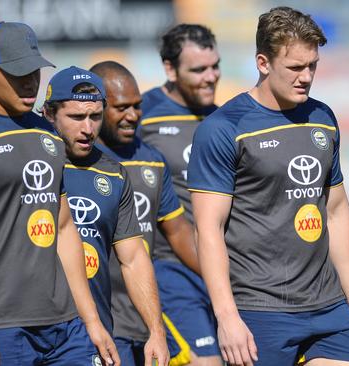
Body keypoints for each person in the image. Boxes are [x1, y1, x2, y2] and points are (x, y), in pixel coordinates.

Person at [188, 7, 349, 366]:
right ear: (263, 63)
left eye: (313, 66)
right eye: (295, 67)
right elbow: (208, 229)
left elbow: (335, 211)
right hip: (259, 310)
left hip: (329, 307)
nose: (306, 77)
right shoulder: (224, 128)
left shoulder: (323, 118)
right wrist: (226, 317)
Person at [0, 22, 118, 366]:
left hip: (64, 328)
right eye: (17, 72)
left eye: (34, 71)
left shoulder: (47, 134)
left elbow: (65, 228)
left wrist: (92, 321)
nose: (30, 82)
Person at [42, 66, 171, 366]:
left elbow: (134, 258)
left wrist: (156, 331)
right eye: (76, 118)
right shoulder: (27, 165)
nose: (88, 128)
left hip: (90, 333)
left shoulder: (113, 174)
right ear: (49, 114)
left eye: (95, 116)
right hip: (26, 328)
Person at [90, 61, 200, 366]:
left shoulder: (151, 160)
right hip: (100, 318)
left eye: (138, 106)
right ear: (97, 106)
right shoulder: (79, 162)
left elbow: (178, 232)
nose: (133, 116)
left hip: (144, 313)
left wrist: (225, 282)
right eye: (122, 107)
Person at [139, 23, 222, 365]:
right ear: (170, 69)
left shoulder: (224, 120)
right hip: (172, 272)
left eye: (215, 66)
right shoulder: (139, 117)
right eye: (198, 69)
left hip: (224, 270)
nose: (210, 77)